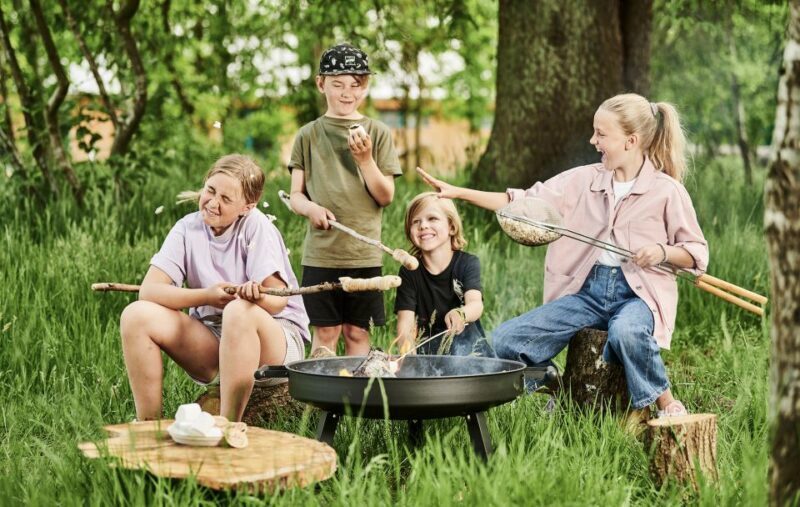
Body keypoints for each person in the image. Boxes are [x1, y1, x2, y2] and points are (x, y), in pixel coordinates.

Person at [418, 93, 707, 417]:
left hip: (639, 297)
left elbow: (696, 252)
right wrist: (458, 193)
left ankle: (666, 404)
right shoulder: (584, 179)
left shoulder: (666, 190)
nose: (592, 140)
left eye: (601, 134)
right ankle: (552, 381)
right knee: (503, 341)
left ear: (631, 140)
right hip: (587, 294)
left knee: (626, 332)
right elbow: (524, 201)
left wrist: (661, 251)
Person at [119, 154, 310, 422]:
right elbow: (149, 291)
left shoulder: (256, 226)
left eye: (226, 199)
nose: (212, 202)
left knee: (238, 311)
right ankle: (149, 424)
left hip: (273, 342)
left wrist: (257, 298)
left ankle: (229, 424)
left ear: (247, 206)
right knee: (136, 315)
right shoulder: (187, 228)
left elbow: (278, 300)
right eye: (210, 190)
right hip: (215, 339)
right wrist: (207, 296)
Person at [288, 43, 402, 356]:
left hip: (363, 255)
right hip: (321, 256)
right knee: (324, 333)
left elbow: (385, 196)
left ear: (365, 87)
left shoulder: (378, 133)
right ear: (320, 83)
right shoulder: (308, 135)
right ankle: (321, 404)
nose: (346, 92)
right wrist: (310, 208)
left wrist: (365, 159)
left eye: (356, 85)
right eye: (337, 84)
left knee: (356, 332)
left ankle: (356, 403)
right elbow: (295, 195)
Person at [393, 192, 494, 357]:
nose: (423, 225)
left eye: (432, 218)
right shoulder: (409, 272)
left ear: (451, 227)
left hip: (469, 354)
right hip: (429, 356)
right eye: (416, 221)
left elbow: (476, 304)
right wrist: (411, 363)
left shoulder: (467, 263)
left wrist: (461, 313)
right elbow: (405, 327)